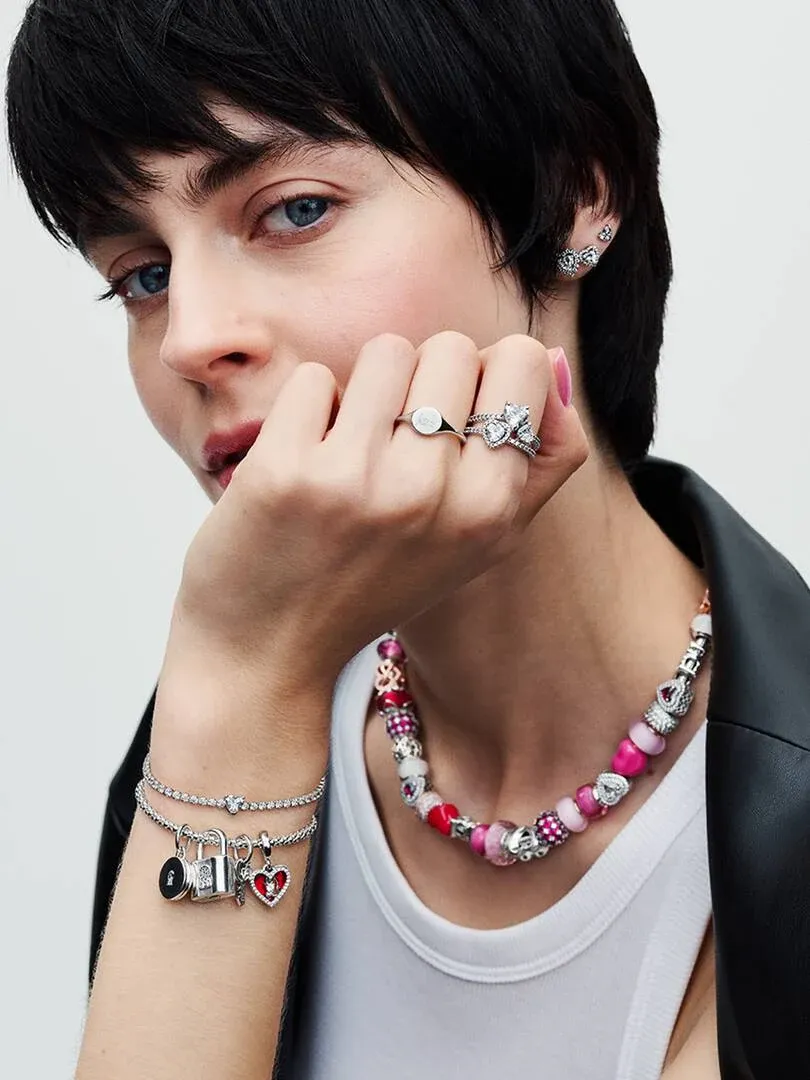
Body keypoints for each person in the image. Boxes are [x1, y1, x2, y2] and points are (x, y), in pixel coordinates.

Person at [6, 0, 809, 1077]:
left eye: (293, 211)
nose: (192, 339)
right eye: (144, 276)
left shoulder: (777, 815)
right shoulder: (213, 742)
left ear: (576, 188)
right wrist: (238, 683)